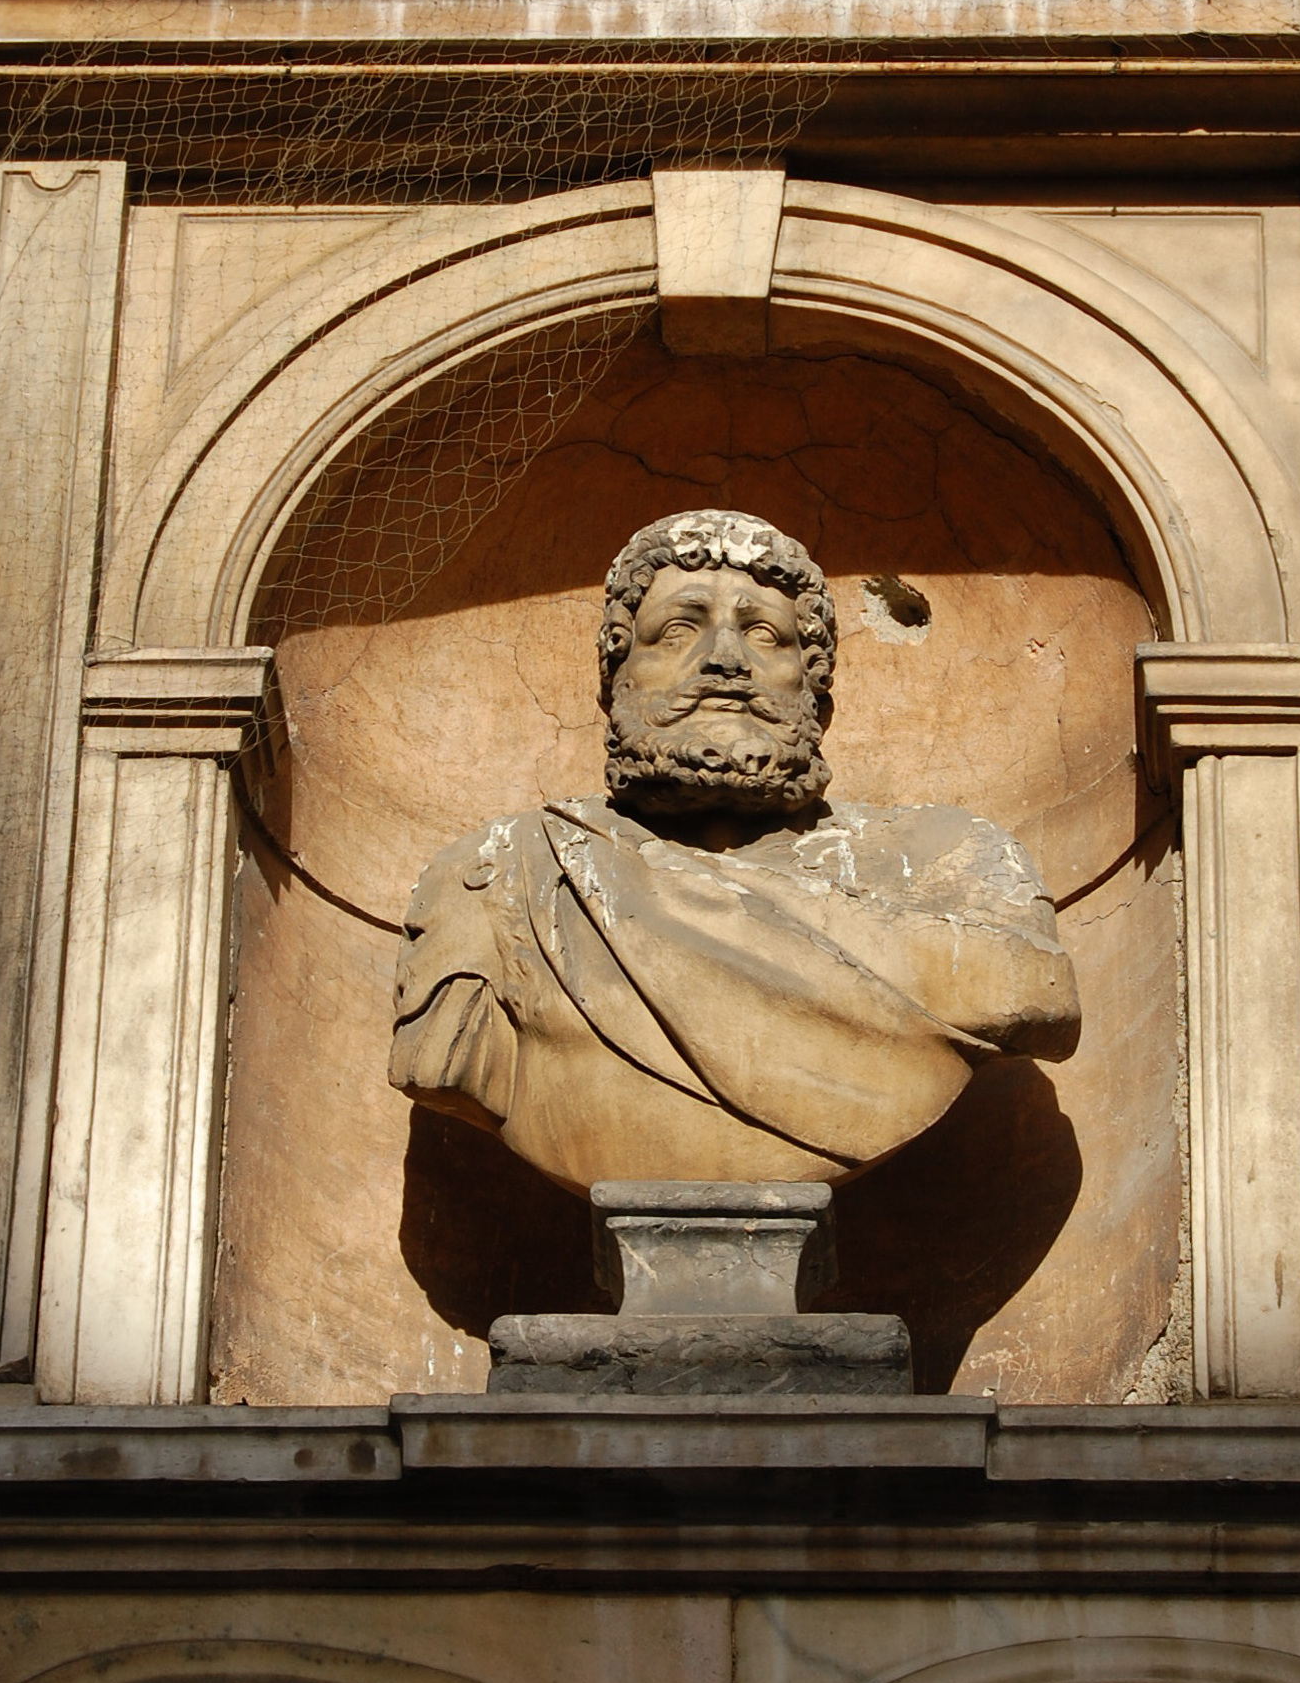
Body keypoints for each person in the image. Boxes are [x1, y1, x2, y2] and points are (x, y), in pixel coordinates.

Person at [390, 510, 1078, 1194]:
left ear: (813, 684)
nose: (724, 659)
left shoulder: (951, 865)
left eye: (763, 634)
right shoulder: (496, 877)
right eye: (678, 630)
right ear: (618, 678)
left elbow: (1032, 998)